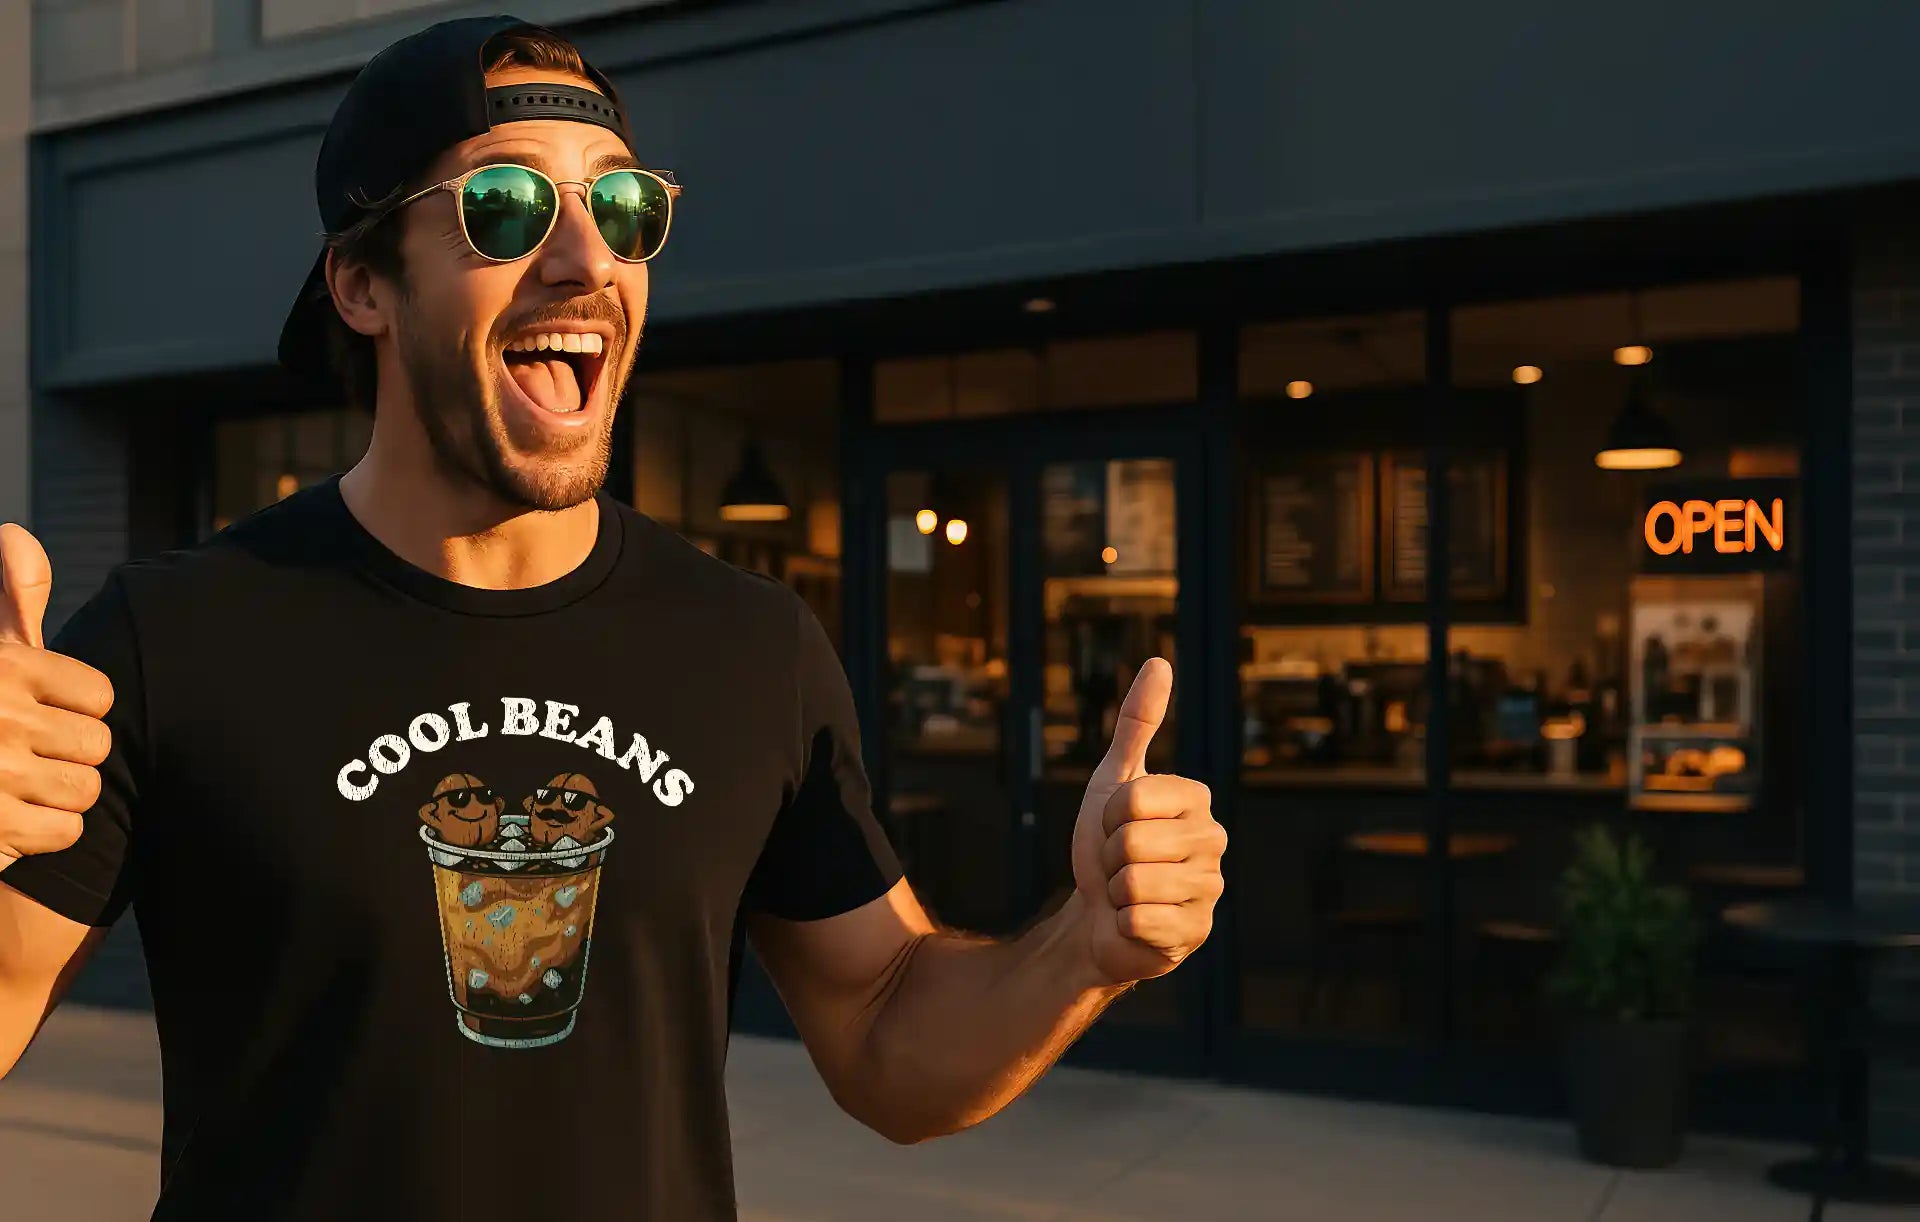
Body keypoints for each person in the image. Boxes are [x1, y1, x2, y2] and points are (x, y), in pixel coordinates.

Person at [0, 15, 1226, 1221]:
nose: (587, 260)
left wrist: (1083, 948)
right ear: (363, 284)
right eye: (506, 207)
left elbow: (884, 1027)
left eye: (625, 207)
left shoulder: (746, 647)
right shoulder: (179, 638)